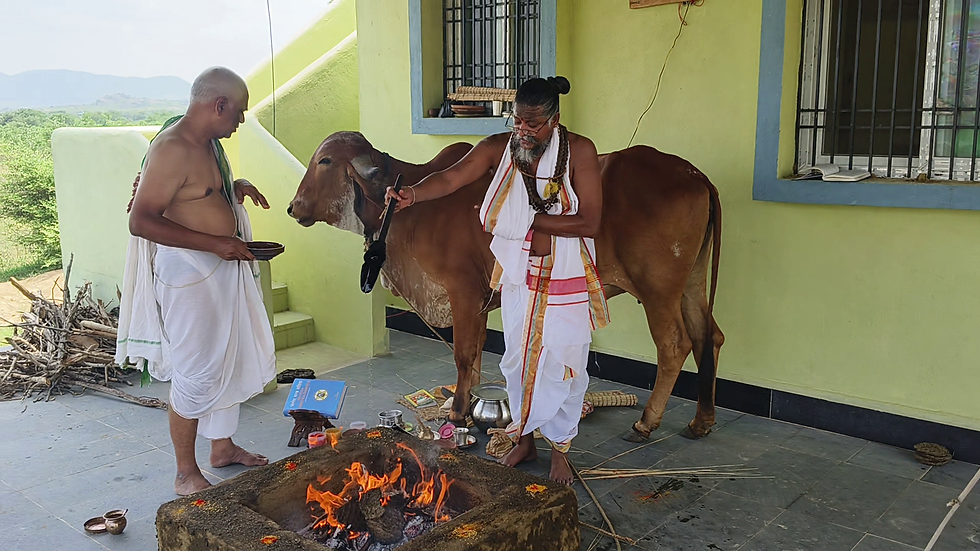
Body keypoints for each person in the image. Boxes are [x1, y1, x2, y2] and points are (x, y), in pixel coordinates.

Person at [385, 76, 609, 485]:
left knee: (564, 363)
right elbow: (452, 178)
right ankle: (524, 438)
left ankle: (562, 449)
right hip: (521, 276)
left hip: (565, 274)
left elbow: (590, 221)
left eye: (533, 124)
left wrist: (524, 221)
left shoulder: (580, 151)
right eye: (517, 121)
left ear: (555, 120)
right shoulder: (498, 147)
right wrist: (413, 195)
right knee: (518, 361)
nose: (522, 131)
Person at [115, 66, 276, 496]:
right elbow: (141, 220)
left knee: (229, 357)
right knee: (197, 372)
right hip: (190, 276)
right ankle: (185, 473)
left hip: (220, 268)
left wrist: (232, 187)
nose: (240, 121)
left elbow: (199, 192)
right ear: (217, 105)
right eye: (238, 112)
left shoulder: (207, 145)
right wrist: (214, 244)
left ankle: (221, 449)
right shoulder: (172, 147)